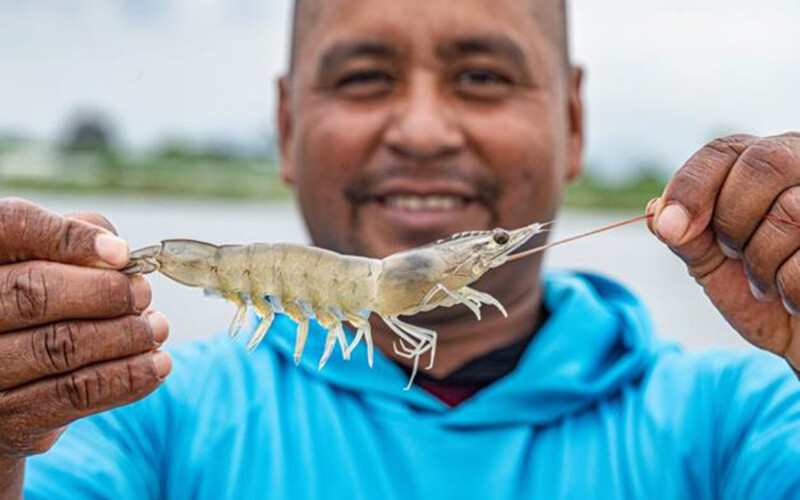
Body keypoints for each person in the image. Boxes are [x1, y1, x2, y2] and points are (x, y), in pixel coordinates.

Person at [2, 0, 800, 497]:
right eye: (363, 79)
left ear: (574, 124)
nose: (421, 130)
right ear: (285, 126)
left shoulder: (747, 418)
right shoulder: (138, 414)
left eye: (483, 76)